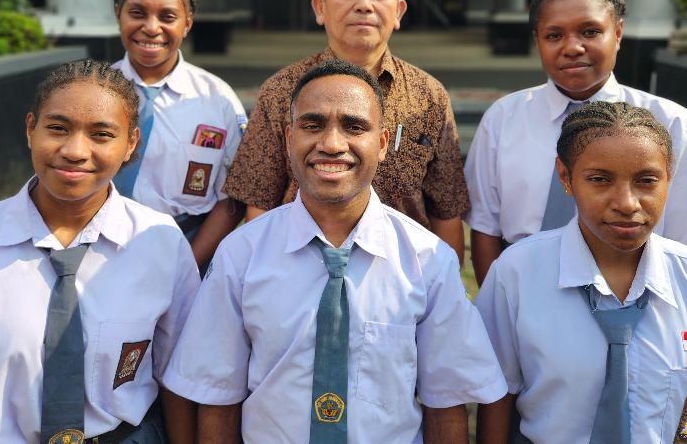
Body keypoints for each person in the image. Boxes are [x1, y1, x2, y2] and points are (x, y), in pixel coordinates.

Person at [164, 60, 507, 443]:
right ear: (288, 138)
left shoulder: (427, 259)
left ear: (380, 144)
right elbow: (217, 397)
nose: (331, 144)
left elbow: (446, 403)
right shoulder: (241, 256)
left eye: (354, 126)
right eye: (312, 125)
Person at [474, 101, 687, 444]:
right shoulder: (516, 275)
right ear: (565, 178)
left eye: (646, 181)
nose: (627, 203)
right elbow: (495, 399)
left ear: (669, 179)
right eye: (600, 180)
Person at [0, 60, 200, 444]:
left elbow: (179, 374)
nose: (76, 151)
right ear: (30, 129)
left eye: (101, 134)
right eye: (58, 128)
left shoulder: (160, 241)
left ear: (130, 144)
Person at [464, 0, 687, 285]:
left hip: (636, 293)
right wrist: (495, 311)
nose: (572, 47)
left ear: (618, 32)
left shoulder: (673, 123)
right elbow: (485, 227)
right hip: (526, 290)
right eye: (554, 35)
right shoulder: (503, 118)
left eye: (590, 31)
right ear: (537, 41)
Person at [222, 0, 469, 262]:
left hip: (403, 280)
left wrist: (449, 291)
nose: (364, 4)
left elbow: (446, 210)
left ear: (399, 10)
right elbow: (260, 205)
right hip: (298, 271)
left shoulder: (429, 97)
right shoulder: (281, 91)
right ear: (320, 8)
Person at [112, 0, 246, 268]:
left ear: (187, 23)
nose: (151, 27)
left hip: (185, 248)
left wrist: (188, 265)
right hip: (99, 252)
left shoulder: (217, 99)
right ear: (118, 13)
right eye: (137, 13)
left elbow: (233, 197)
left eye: (167, 16)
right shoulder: (92, 90)